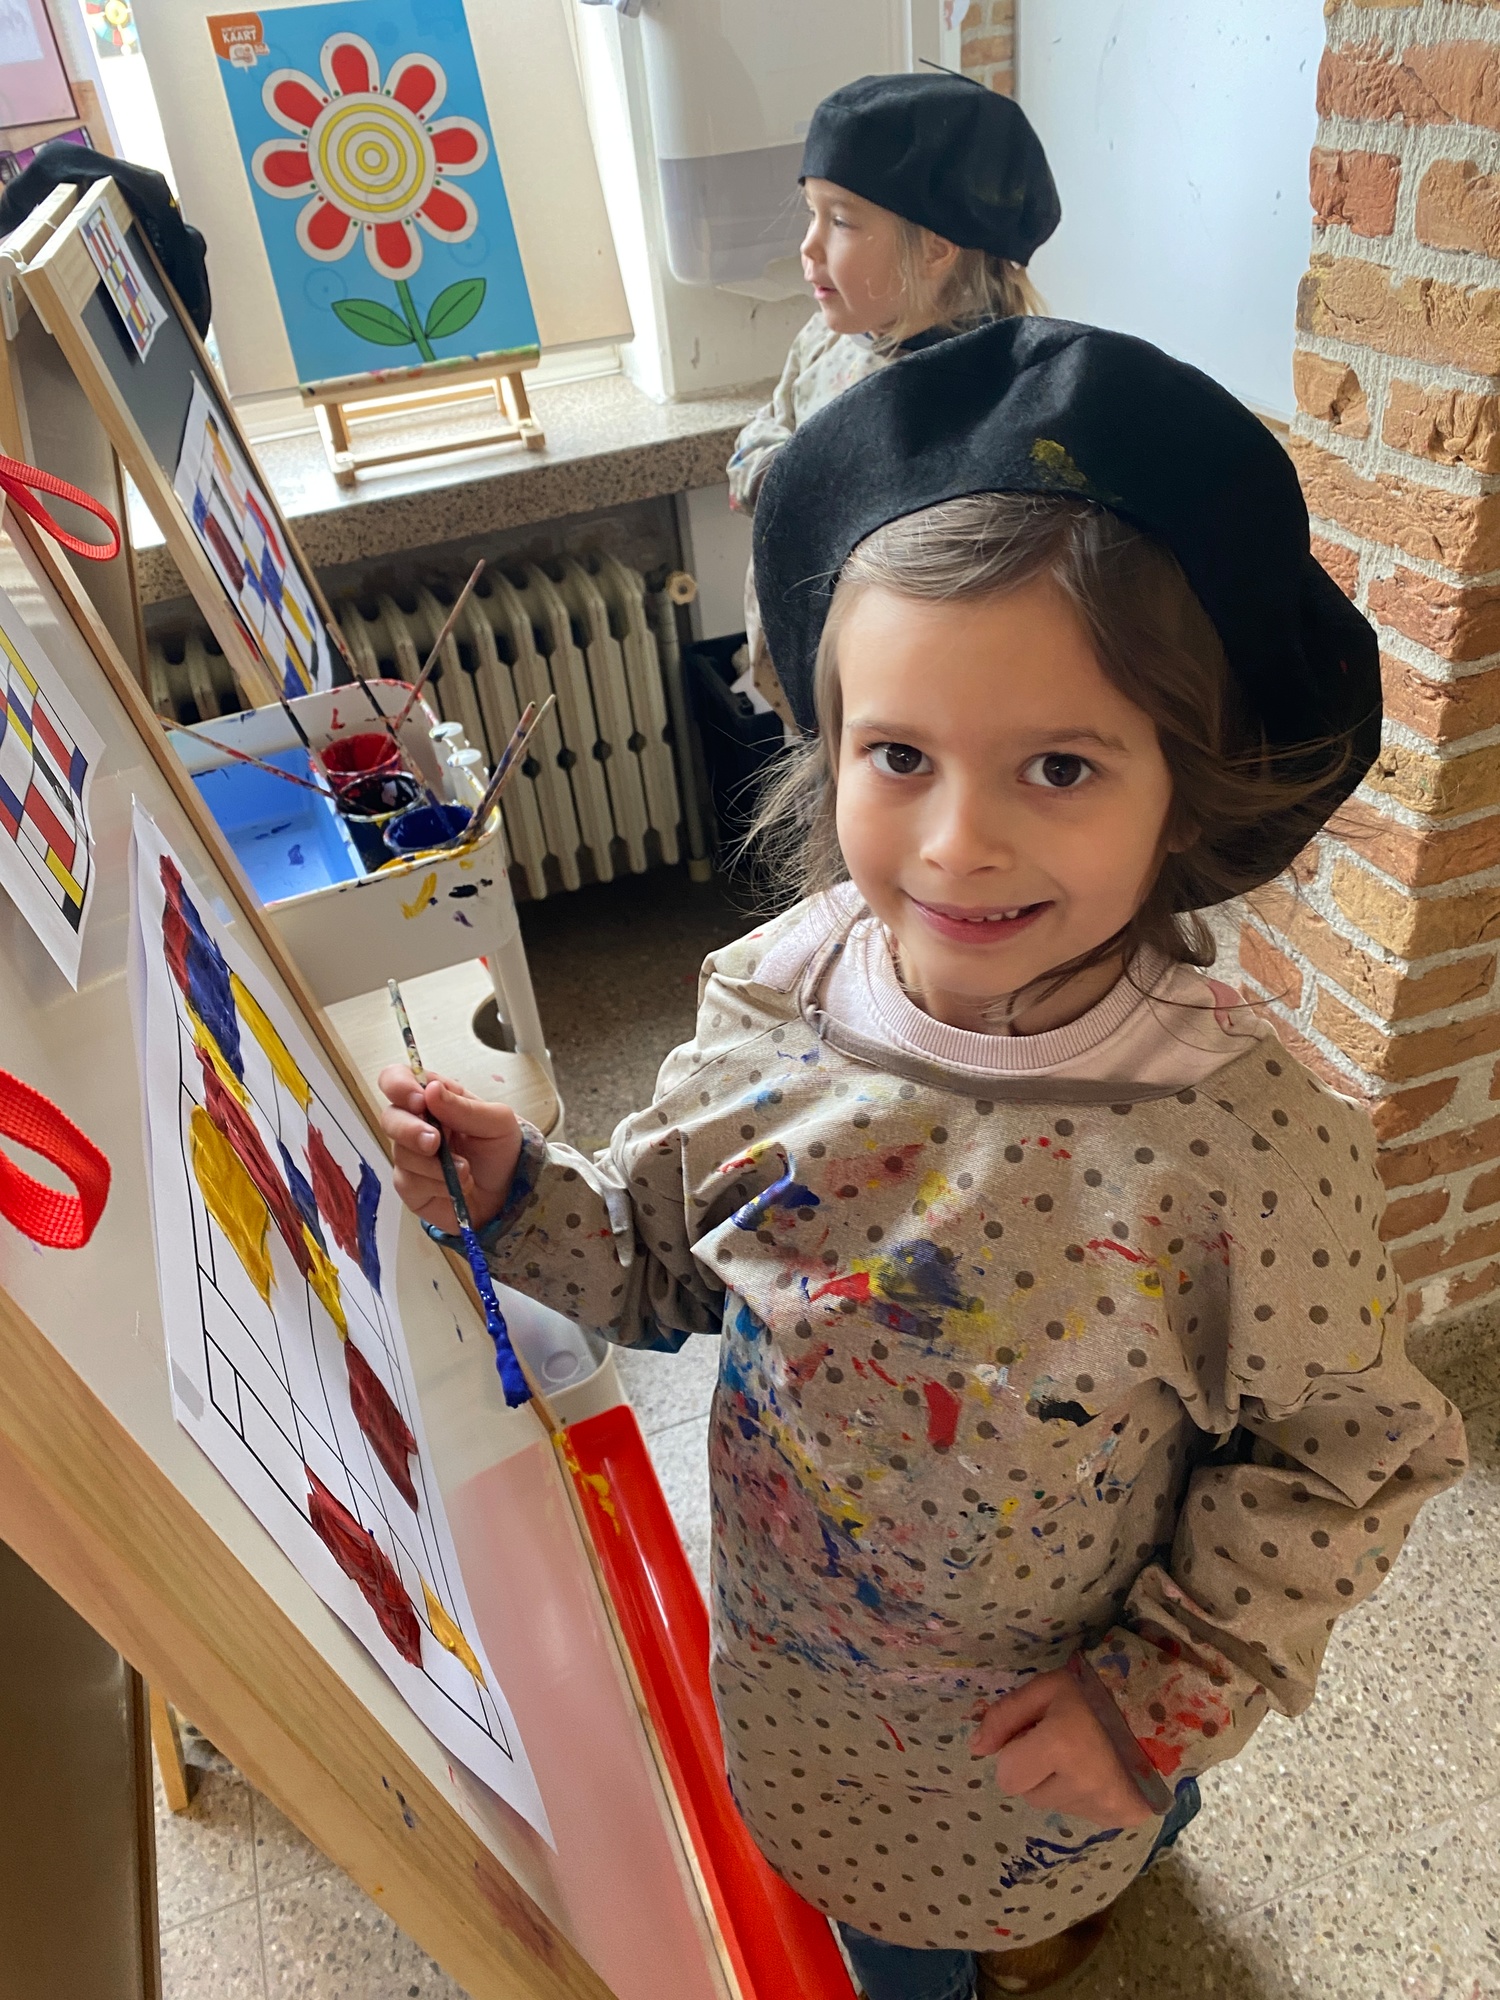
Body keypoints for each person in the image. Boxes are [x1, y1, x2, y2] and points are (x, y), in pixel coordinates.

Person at [380, 320, 1467, 2000]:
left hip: (1040, 1708)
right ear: (829, 742)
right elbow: (665, 1260)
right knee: (860, 1906)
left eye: (1060, 766)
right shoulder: (773, 998)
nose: (958, 843)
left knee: (1015, 1890)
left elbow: (1355, 1455)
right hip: (800, 1680)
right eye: (901, 757)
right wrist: (522, 1191)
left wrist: (1157, 1697)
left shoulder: (1236, 1152)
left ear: (1185, 794)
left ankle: (1074, 1895)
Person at [727, 71, 1059, 726]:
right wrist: (788, 479)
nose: (808, 245)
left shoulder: (985, 395)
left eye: (840, 221)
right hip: (801, 666)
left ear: (935, 247)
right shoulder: (825, 341)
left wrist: (794, 483)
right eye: (811, 213)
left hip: (898, 696)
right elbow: (756, 442)